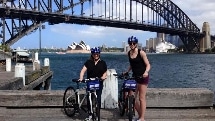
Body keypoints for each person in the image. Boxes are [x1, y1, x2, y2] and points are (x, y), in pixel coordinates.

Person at [124, 36, 151, 121]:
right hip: (135, 77)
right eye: (130, 43)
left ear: (136, 44)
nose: (132, 44)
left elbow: (148, 65)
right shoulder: (129, 53)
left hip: (143, 77)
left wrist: (146, 72)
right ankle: (140, 115)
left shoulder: (141, 53)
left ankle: (142, 118)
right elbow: (132, 65)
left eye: (133, 43)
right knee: (132, 97)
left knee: (141, 98)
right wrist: (127, 71)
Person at [79, 47, 107, 121]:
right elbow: (83, 71)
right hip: (90, 82)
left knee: (98, 99)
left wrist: (103, 77)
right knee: (89, 99)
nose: (96, 55)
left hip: (99, 83)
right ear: (92, 54)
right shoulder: (88, 62)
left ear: (99, 54)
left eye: (97, 53)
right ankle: (90, 114)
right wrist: (81, 78)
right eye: (94, 54)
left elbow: (105, 73)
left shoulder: (102, 62)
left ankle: (97, 114)